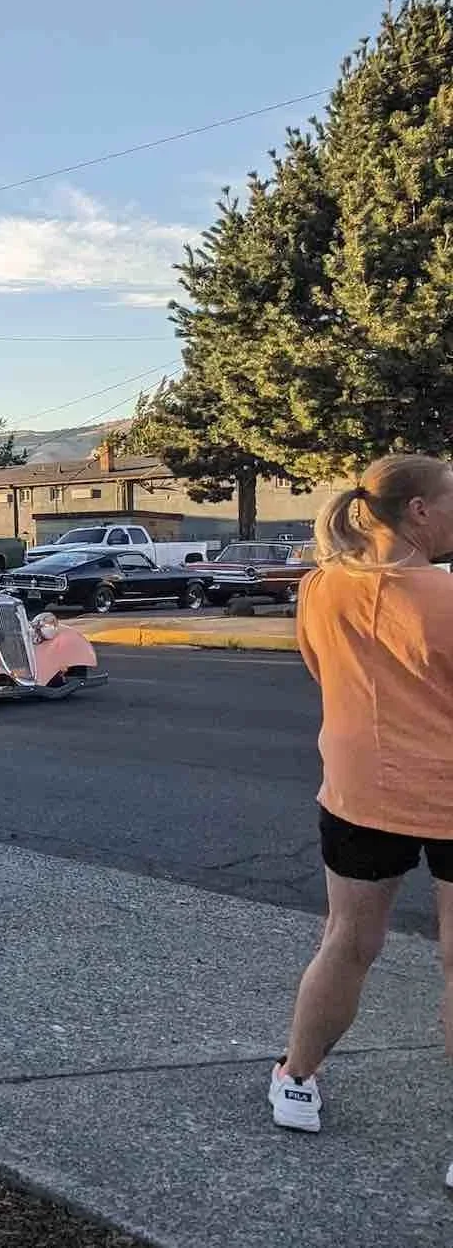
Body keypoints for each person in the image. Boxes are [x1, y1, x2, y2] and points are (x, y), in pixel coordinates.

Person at [271, 455, 453, 1186]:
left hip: (358, 792)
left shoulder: (321, 585)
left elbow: (322, 669)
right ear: (419, 510)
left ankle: (295, 1078)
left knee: (347, 942)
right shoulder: (443, 595)